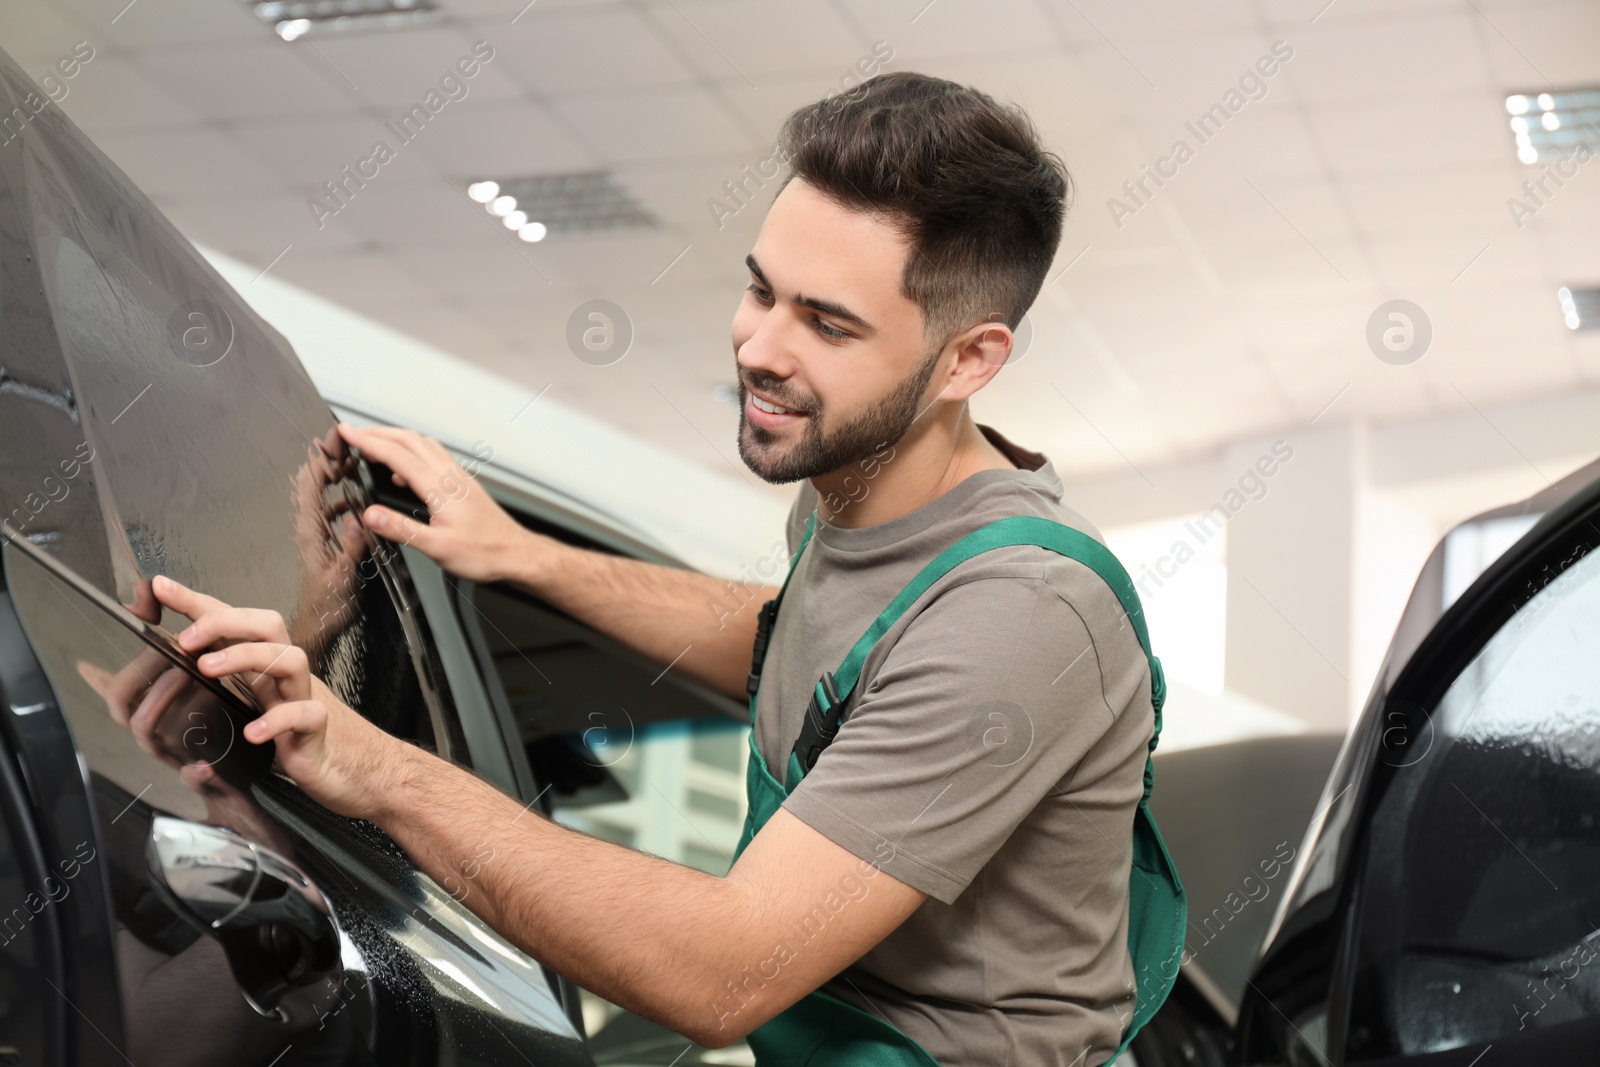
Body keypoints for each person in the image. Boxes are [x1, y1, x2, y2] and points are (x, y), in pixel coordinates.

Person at [153, 71, 1172, 1066]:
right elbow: (798, 645)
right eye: (759, 289)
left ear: (968, 361)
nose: (758, 346)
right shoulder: (862, 481)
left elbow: (725, 973)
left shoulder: (1018, 615)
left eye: (826, 322)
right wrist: (525, 554)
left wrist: (370, 764)